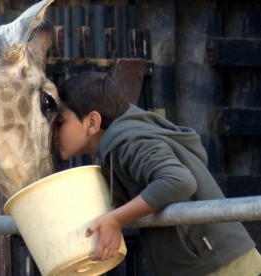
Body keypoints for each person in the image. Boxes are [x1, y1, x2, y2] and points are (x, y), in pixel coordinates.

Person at [53, 71, 261, 276]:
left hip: (221, 266)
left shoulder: (130, 143)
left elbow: (179, 180)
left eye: (60, 122)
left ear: (92, 122)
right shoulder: (119, 144)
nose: (53, 132)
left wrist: (116, 219)